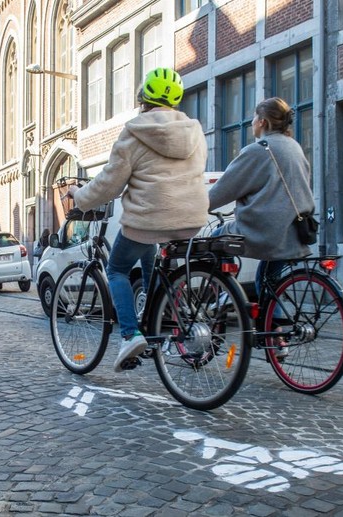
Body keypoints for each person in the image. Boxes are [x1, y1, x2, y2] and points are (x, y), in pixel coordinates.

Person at [66, 67, 209, 372]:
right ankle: (158, 317)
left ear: (144, 97)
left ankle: (130, 335)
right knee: (150, 260)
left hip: (147, 219)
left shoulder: (134, 131)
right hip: (190, 218)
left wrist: (80, 196)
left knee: (117, 269)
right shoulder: (194, 130)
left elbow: (109, 184)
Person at [208, 97, 314, 358]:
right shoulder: (294, 147)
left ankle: (224, 293)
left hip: (262, 231)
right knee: (269, 280)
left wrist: (201, 204)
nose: (252, 123)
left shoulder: (259, 149)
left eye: (254, 118)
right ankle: (274, 334)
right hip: (294, 233)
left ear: (263, 122)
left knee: (212, 241)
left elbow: (224, 189)